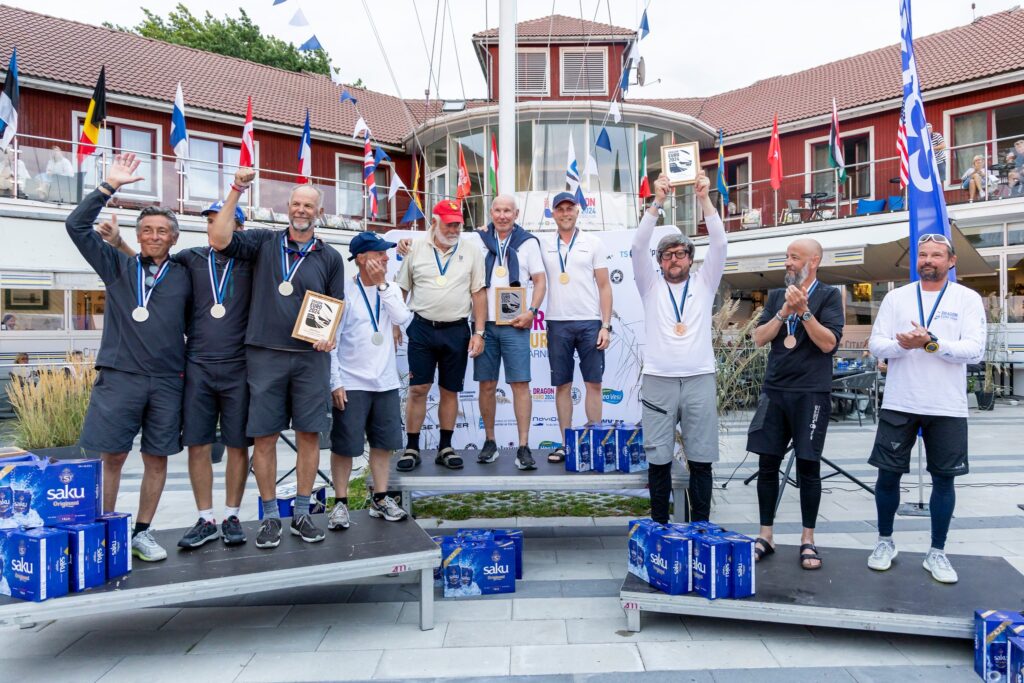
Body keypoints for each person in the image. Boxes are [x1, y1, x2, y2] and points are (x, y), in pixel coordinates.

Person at [99, 199, 254, 549]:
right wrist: (120, 243)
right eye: (212, 222)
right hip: (195, 364)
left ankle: (231, 515)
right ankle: (205, 518)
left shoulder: (253, 262)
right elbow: (150, 267)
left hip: (239, 367)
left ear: (239, 229)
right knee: (198, 445)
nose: (218, 229)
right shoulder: (190, 259)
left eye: (225, 223)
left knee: (237, 445)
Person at [66, 152, 193, 562]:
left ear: (174, 238)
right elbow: (75, 225)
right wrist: (110, 185)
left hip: (167, 380)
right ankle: (104, 530)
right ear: (138, 235)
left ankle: (142, 532)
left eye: (162, 231)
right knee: (113, 456)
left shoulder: (187, 274)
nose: (154, 235)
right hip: (120, 377)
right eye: (147, 230)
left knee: (157, 456)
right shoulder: (117, 267)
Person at [209, 167, 345, 549]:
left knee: (308, 437)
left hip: (309, 358)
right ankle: (270, 517)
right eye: (296, 204)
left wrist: (329, 336)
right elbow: (220, 240)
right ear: (288, 208)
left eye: (309, 205)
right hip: (265, 355)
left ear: (318, 212)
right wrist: (237, 188)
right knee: (264, 437)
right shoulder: (262, 243)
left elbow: (336, 307)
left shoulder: (330, 256)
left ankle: (302, 512)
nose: (301, 210)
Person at [866, 232, 986, 584]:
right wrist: (906, 346)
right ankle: (884, 542)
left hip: (947, 406)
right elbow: (876, 344)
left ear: (951, 262)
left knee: (944, 480)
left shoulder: (967, 298)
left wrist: (931, 343)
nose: (928, 260)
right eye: (922, 255)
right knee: (887, 475)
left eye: (936, 255)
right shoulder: (896, 297)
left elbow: (975, 350)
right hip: (900, 401)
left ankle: (937, 551)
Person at [632, 171, 725, 524]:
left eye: (681, 253)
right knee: (658, 458)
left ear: (690, 258)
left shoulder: (705, 284)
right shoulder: (649, 286)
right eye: (667, 255)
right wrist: (657, 202)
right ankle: (659, 526)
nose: (674, 259)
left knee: (701, 458)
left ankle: (700, 528)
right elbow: (638, 247)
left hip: (700, 378)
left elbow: (719, 244)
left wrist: (704, 199)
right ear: (659, 263)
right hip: (658, 380)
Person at [747, 238, 845, 570]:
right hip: (774, 391)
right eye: (786, 257)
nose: (788, 263)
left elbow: (828, 344)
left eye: (794, 257)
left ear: (813, 261)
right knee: (767, 465)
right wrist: (783, 311)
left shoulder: (829, 295)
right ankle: (766, 535)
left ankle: (808, 539)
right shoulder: (776, 296)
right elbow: (758, 338)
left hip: (811, 393)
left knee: (808, 466)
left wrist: (803, 312)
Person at [326, 232, 412, 530]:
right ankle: (340, 503)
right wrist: (335, 381)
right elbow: (331, 341)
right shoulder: (343, 291)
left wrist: (384, 285)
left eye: (387, 254)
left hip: (386, 381)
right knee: (344, 447)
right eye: (380, 254)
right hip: (351, 382)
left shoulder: (388, 289)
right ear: (362, 258)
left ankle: (381, 498)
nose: (387, 258)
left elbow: (403, 317)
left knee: (383, 445)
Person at [395, 200, 486, 471]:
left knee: (450, 390)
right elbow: (401, 288)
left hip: (457, 330)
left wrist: (479, 332)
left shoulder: (471, 251)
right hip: (422, 328)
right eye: (449, 223)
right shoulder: (414, 249)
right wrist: (394, 324)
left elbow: (478, 293)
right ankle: (411, 447)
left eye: (458, 223)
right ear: (434, 222)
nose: (455, 228)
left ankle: (445, 446)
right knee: (418, 389)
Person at [538, 192, 612, 464]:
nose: (565, 213)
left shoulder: (593, 243)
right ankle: (566, 442)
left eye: (570, 208)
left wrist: (606, 325)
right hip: (557, 323)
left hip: (590, 322)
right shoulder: (543, 245)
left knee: (594, 383)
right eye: (560, 209)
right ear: (553, 213)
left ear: (578, 211)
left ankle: (594, 442)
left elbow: (604, 286)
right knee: (562, 386)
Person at [473, 195, 547, 469]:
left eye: (508, 211)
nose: (502, 215)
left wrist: (532, 312)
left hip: (516, 324)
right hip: (484, 325)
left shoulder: (528, 243)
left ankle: (524, 446)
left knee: (520, 385)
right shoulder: (477, 240)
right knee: (487, 384)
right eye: (498, 210)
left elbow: (540, 281)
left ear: (516, 214)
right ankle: (490, 441)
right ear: (491, 212)